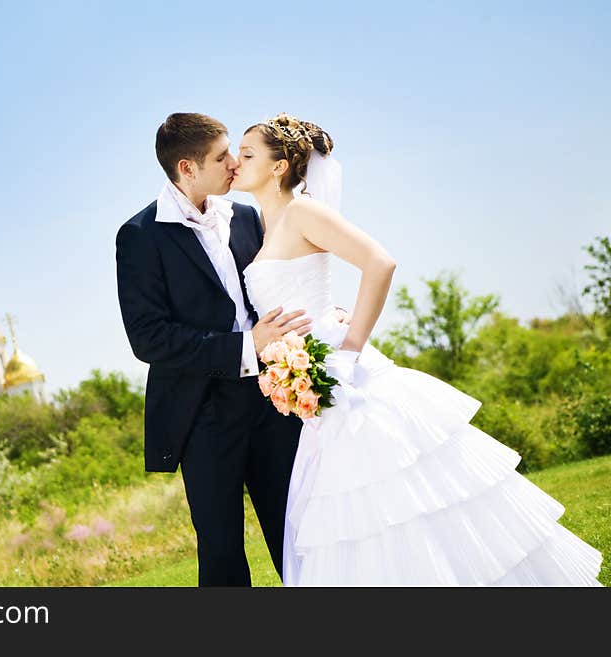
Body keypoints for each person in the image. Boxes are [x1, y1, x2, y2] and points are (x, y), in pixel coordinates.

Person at [234, 112, 604, 585]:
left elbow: (380, 263)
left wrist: (348, 348)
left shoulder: (304, 211)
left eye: (247, 154)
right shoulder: (269, 224)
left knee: (394, 502)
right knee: (352, 514)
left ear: (279, 166)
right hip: (318, 389)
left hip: (348, 376)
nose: (236, 163)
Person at [116, 113, 325, 586]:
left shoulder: (246, 217)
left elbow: (274, 290)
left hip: (275, 400)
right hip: (203, 414)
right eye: (220, 157)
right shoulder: (140, 236)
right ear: (187, 168)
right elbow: (148, 337)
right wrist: (241, 346)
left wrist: (323, 313)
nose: (234, 163)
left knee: (298, 533)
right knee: (222, 552)